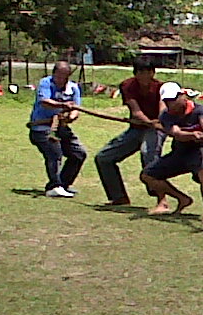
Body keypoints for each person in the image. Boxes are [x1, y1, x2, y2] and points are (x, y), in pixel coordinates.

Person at [94, 56, 167, 208]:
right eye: (141, 72)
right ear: (135, 73)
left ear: (153, 73)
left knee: (149, 155)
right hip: (137, 128)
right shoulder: (127, 86)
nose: (145, 76)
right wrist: (148, 122)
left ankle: (161, 200)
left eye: (148, 72)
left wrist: (158, 122)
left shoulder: (161, 87)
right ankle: (118, 197)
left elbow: (163, 108)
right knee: (104, 158)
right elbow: (135, 111)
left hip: (156, 129)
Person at [140, 83, 203, 224]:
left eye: (173, 99)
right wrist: (192, 135)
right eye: (167, 101)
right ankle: (182, 198)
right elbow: (176, 133)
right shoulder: (166, 116)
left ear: (182, 96)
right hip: (180, 151)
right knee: (147, 175)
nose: (170, 104)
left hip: (201, 148)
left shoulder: (199, 109)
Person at [27, 60, 86, 198]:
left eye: (64, 77)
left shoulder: (73, 88)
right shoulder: (45, 83)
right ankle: (54, 186)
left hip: (60, 127)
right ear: (53, 74)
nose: (60, 80)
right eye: (58, 76)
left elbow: (76, 109)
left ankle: (63, 184)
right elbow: (45, 102)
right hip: (41, 128)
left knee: (78, 153)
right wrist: (63, 105)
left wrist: (71, 117)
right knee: (54, 152)